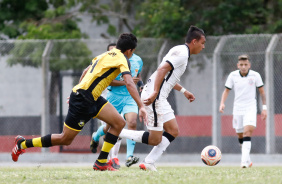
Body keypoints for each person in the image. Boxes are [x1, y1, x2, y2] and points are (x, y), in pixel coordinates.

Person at [11, 33, 148, 171]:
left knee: (119, 122)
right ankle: (23, 144)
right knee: (65, 139)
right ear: (130, 50)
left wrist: (79, 89)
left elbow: (86, 71)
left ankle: (101, 162)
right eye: (133, 51)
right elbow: (130, 83)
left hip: (91, 97)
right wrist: (141, 106)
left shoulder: (104, 55)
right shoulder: (123, 59)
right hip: (83, 99)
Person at [118, 25, 206, 171]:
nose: (203, 47)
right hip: (156, 97)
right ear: (195, 41)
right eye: (202, 43)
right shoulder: (182, 54)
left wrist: (184, 91)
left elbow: (168, 77)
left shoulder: (180, 50)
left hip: (158, 96)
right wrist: (155, 93)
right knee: (154, 139)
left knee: (173, 131)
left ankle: (149, 162)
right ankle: (117, 132)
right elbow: (162, 70)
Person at [90, 43, 144, 169]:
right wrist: (126, 82)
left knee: (132, 121)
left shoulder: (138, 60)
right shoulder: (114, 59)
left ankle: (129, 156)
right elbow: (108, 80)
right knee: (109, 128)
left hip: (130, 97)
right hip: (113, 97)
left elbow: (137, 75)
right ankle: (96, 136)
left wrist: (140, 84)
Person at [219, 54, 267, 168]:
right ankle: (248, 159)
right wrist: (222, 103)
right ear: (238, 65)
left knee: (247, 132)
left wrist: (264, 108)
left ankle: (243, 162)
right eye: (241, 65)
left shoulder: (255, 75)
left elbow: (262, 92)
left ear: (249, 65)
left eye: (246, 64)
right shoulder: (233, 75)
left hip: (250, 107)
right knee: (240, 135)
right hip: (237, 108)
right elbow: (226, 91)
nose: (244, 67)